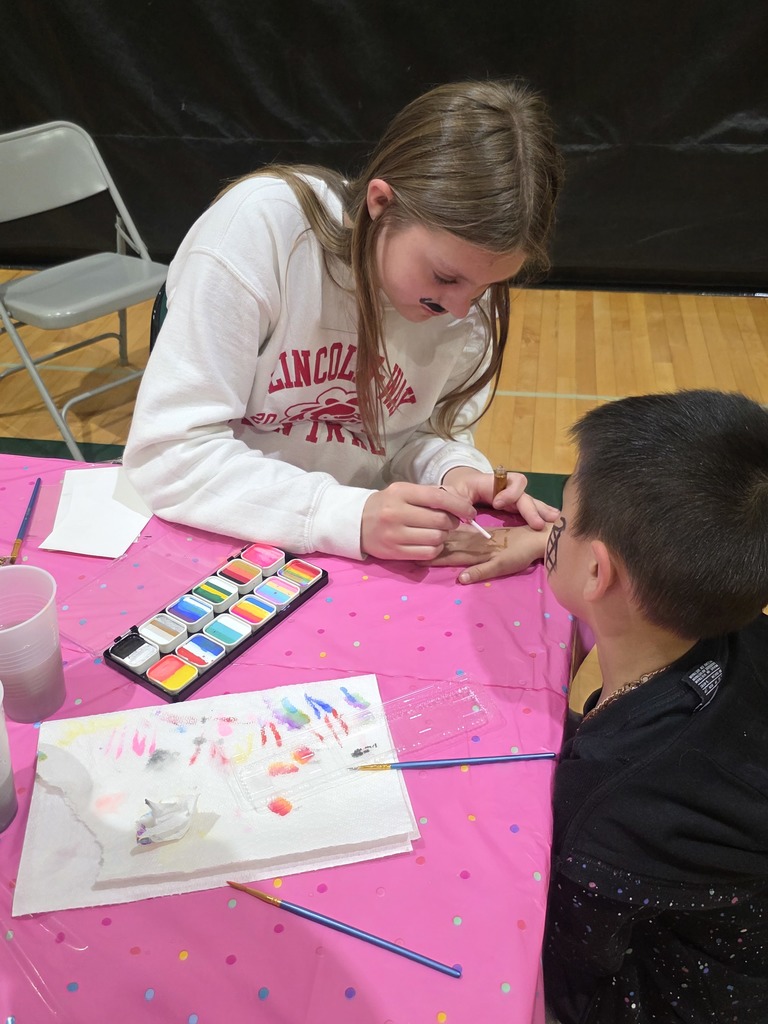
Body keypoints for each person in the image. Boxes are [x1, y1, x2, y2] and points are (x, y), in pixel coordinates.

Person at [123, 79, 564, 561]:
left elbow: (412, 434)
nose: (461, 309)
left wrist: (453, 472)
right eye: (444, 277)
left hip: (349, 542)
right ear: (381, 203)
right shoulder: (264, 231)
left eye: (486, 288)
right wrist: (346, 516)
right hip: (221, 533)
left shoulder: (466, 295)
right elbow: (167, 455)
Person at [449, 390, 768, 1022]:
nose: (548, 533)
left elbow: (567, 967)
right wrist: (549, 550)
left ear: (598, 574)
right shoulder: (738, 626)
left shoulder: (611, 801)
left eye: (559, 524)